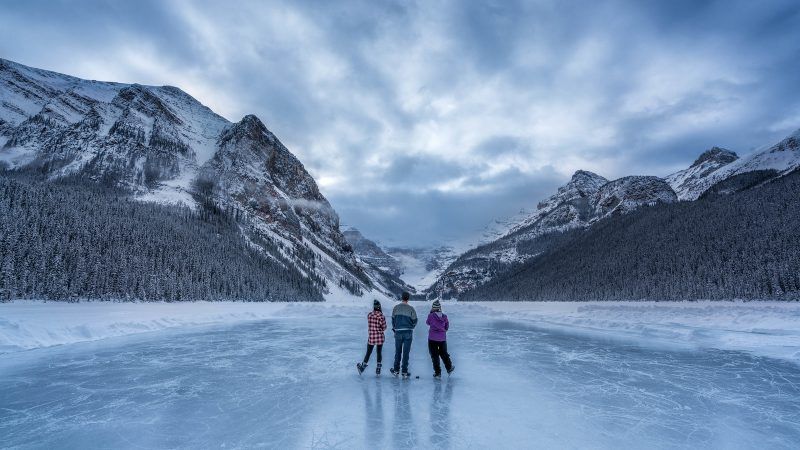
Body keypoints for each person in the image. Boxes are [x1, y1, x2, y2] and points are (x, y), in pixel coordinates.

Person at [390, 291, 417, 379]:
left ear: (402, 298)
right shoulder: (411, 309)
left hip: (398, 332)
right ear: (408, 299)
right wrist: (411, 327)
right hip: (408, 332)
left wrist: (395, 328)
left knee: (398, 351)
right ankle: (404, 372)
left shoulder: (396, 308)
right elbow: (415, 320)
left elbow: (393, 320)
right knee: (406, 353)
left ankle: (396, 370)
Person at [357, 299, 387, 375]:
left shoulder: (369, 315)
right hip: (379, 337)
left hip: (371, 337)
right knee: (379, 352)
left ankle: (362, 367)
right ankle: (378, 369)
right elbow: (384, 327)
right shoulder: (381, 316)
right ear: (379, 307)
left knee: (368, 352)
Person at [426, 299, 454, 379]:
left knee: (434, 355)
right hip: (442, 339)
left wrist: (431, 313)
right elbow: (447, 326)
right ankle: (449, 368)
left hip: (432, 339)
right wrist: (443, 330)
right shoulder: (444, 316)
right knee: (444, 353)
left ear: (433, 308)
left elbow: (427, 323)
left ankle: (438, 373)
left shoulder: (431, 316)